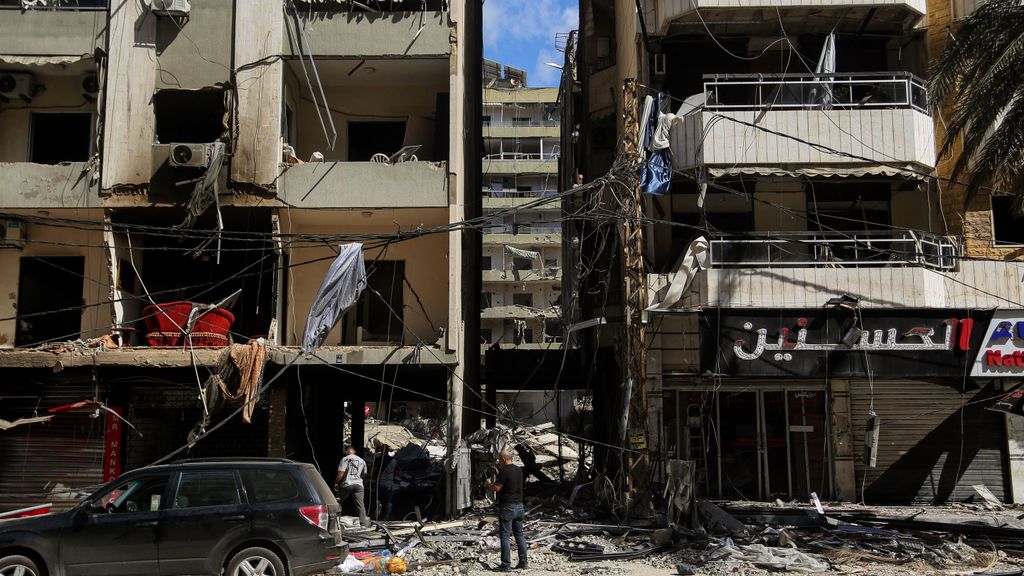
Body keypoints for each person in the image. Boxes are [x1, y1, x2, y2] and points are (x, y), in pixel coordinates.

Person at [484, 448, 528, 571]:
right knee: (519, 535)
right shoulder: (518, 470)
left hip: (508, 507)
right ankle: (523, 562)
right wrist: (499, 473)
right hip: (520, 507)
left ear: (503, 459)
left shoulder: (504, 471)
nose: (498, 461)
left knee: (505, 536)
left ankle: (506, 564)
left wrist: (488, 483)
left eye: (499, 459)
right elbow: (510, 482)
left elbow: (497, 488)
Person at [334, 446, 369, 527]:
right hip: (359, 485)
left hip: (347, 484)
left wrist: (336, 482)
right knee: (360, 505)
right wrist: (358, 477)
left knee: (338, 502)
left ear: (346, 452)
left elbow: (341, 472)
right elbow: (364, 473)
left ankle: (335, 522)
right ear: (354, 452)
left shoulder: (345, 459)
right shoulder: (362, 460)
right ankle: (363, 524)